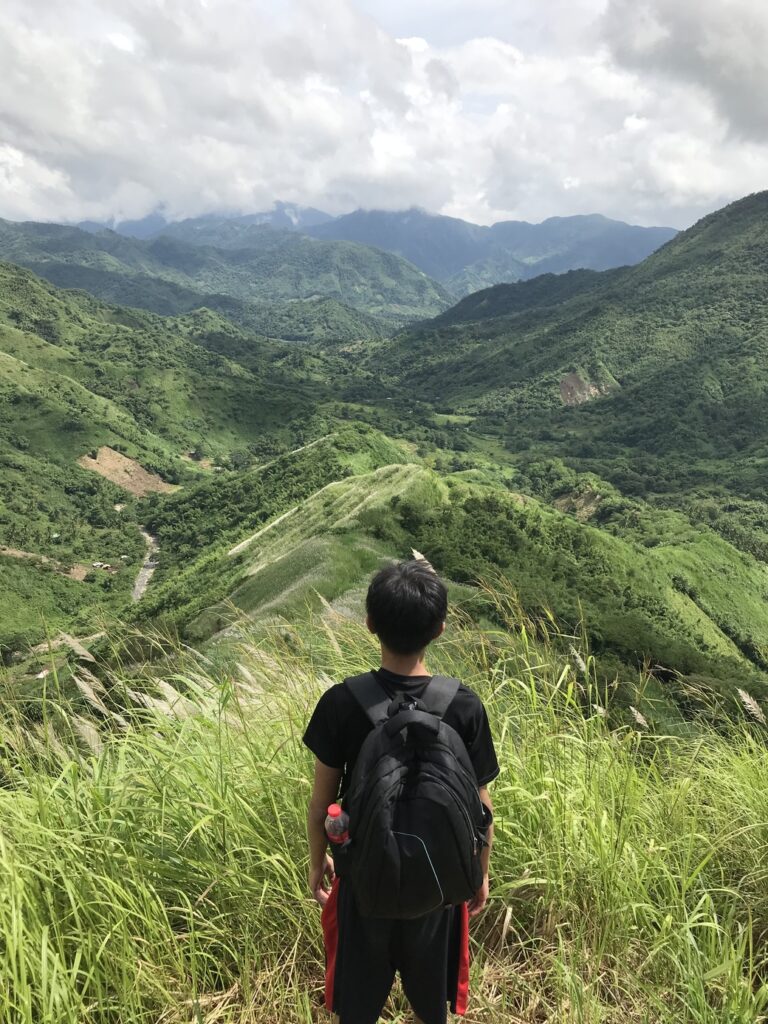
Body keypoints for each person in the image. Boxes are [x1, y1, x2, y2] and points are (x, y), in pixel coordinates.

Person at [303, 559, 499, 1024]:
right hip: (438, 884)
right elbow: (482, 808)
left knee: (356, 1007)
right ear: (440, 629)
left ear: (370, 624)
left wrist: (318, 865)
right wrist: (479, 873)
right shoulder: (464, 706)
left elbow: (319, 804)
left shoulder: (342, 702)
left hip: (363, 879)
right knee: (433, 1009)